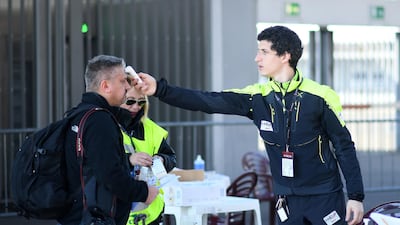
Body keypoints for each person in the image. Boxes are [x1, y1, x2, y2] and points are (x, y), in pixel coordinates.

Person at [133, 26, 365, 225]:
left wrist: (355, 195)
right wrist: (159, 90)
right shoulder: (257, 97)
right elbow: (207, 100)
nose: (257, 58)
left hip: (324, 196)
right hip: (286, 198)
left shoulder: (321, 96)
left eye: (264, 52)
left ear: (285, 55)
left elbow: (344, 147)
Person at [58, 55, 159, 225]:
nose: (127, 86)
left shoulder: (79, 114)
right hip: (94, 218)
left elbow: (127, 119)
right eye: (122, 81)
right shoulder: (99, 121)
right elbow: (110, 174)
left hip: (77, 215)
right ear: (105, 86)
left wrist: (137, 92)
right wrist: (143, 192)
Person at [118, 86, 177, 225]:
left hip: (151, 214)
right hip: (120, 213)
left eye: (141, 102)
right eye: (130, 101)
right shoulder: (106, 127)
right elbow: (99, 164)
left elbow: (171, 158)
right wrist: (129, 160)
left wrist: (161, 159)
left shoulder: (151, 129)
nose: (136, 107)